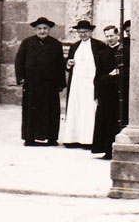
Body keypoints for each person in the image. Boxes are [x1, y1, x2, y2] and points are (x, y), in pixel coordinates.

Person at [15, 17, 66, 146]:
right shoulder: (27, 43)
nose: (42, 31)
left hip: (50, 85)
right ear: (35, 30)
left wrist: (61, 83)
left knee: (51, 111)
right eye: (39, 29)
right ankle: (29, 138)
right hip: (32, 84)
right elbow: (19, 61)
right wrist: (21, 78)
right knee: (31, 111)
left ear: (49, 30)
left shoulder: (56, 44)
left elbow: (60, 64)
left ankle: (51, 138)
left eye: (45, 28)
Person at [62, 20, 107, 148]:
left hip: (91, 83)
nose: (82, 34)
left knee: (89, 109)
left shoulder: (99, 45)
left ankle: (89, 140)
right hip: (76, 83)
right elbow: (68, 65)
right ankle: (73, 139)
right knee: (76, 108)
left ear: (91, 32)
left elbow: (103, 64)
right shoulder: (74, 46)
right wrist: (68, 64)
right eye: (80, 32)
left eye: (85, 32)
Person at [92, 25, 122, 159]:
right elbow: (98, 75)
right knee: (105, 121)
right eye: (107, 36)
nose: (109, 39)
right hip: (105, 92)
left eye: (112, 36)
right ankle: (106, 150)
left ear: (117, 35)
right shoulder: (102, 53)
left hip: (119, 92)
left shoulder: (123, 51)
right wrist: (97, 94)